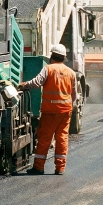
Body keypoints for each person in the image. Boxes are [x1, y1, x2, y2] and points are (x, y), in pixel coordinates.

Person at [18, 44, 76, 175]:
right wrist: (69, 108)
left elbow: (37, 82)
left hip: (50, 110)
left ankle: (39, 167)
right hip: (65, 111)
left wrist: (24, 85)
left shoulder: (48, 69)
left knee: (45, 138)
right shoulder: (71, 72)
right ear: (64, 58)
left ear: (52, 56)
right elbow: (74, 95)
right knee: (62, 138)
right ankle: (60, 168)